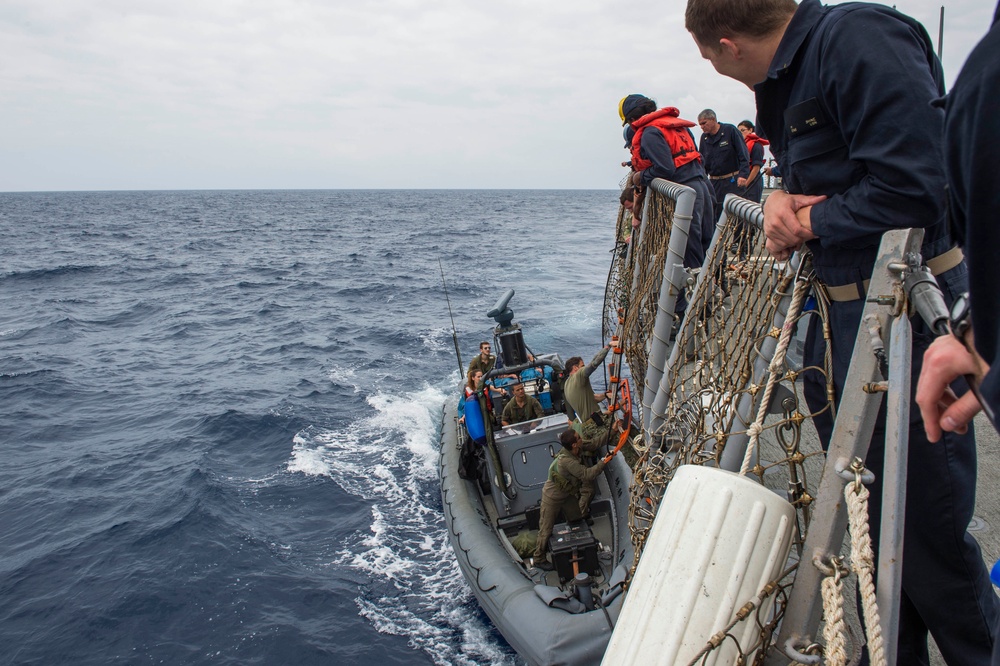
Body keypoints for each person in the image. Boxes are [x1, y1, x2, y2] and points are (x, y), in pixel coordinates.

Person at [685, 0, 999, 663]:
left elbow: (919, 187)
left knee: (929, 540)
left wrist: (808, 223)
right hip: (835, 321)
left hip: (905, 317)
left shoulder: (857, 39)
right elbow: (822, 177)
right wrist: (777, 198)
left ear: (726, 45)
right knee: (872, 528)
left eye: (709, 58)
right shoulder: (789, 81)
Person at [620, 94, 716, 269]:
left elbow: (665, 168)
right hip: (703, 185)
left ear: (633, 120)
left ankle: (692, 286)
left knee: (689, 247)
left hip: (686, 190)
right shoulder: (677, 126)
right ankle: (710, 281)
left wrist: (640, 176)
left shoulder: (650, 133)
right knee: (705, 241)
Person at [532, 429, 610, 570]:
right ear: (574, 444)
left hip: (568, 494)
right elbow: (587, 474)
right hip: (552, 497)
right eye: (579, 437)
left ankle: (582, 540)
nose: (581, 439)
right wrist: (603, 462)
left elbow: (593, 443)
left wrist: (613, 430)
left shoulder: (575, 448)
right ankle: (539, 558)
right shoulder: (567, 461)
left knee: (576, 518)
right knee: (546, 528)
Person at [697, 109, 750, 222]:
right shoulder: (704, 138)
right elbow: (703, 163)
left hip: (732, 180)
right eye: (700, 124)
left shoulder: (730, 131)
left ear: (713, 119)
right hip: (714, 182)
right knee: (714, 214)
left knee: (736, 214)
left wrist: (743, 175)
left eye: (704, 123)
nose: (702, 127)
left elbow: (743, 154)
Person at [563, 347, 614, 446]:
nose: (584, 367)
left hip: (587, 426)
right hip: (595, 425)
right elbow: (594, 364)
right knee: (624, 436)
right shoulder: (578, 376)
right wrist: (608, 346)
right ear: (575, 368)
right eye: (582, 366)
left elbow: (591, 398)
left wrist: (605, 395)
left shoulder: (567, 384)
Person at [737, 120, 768, 203]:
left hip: (753, 182)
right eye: (739, 131)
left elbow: (756, 167)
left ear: (750, 130)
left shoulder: (756, 145)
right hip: (742, 179)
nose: (740, 133)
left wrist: (746, 184)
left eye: (743, 130)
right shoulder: (741, 146)